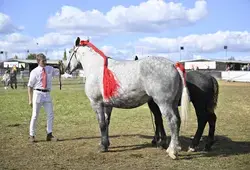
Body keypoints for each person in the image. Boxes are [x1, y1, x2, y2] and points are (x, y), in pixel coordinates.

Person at [27, 53, 57, 143]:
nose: (45, 62)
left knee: (50, 114)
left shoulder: (49, 69)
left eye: (45, 60)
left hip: (47, 94)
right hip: (38, 93)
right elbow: (30, 86)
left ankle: (49, 134)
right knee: (35, 115)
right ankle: (31, 135)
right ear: (38, 61)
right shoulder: (34, 72)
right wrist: (30, 99)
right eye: (43, 61)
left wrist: (62, 67)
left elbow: (59, 72)